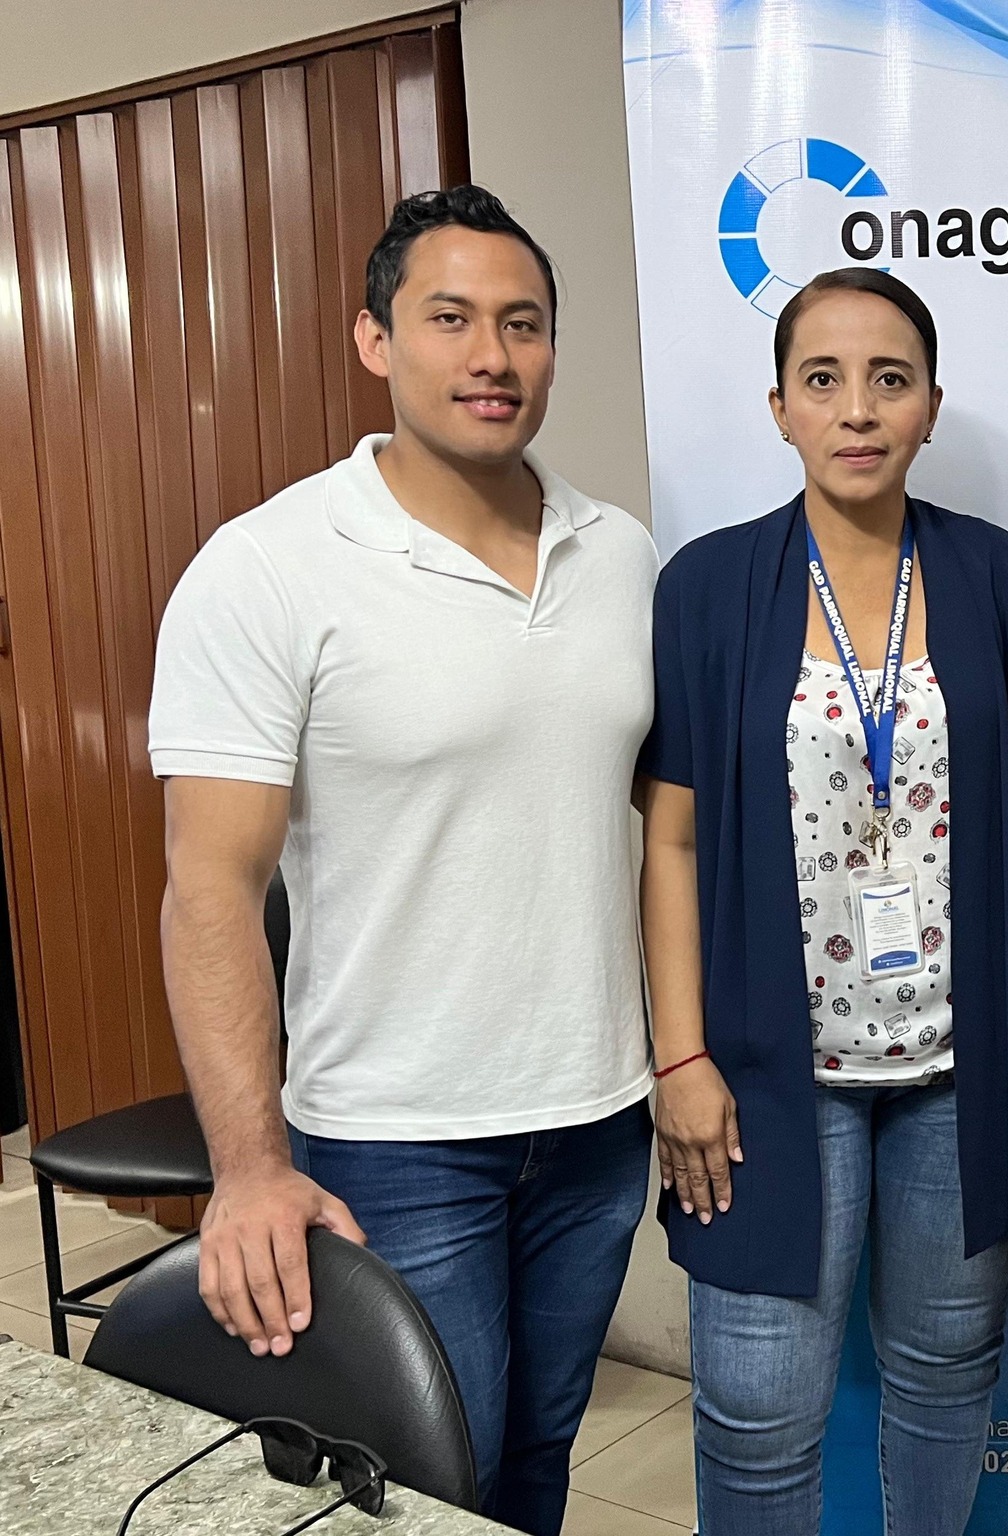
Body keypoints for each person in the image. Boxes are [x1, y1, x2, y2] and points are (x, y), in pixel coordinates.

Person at [149, 186, 655, 1536]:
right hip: (395, 1137)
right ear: (374, 339)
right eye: (450, 319)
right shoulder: (269, 568)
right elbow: (207, 889)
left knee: (536, 1458)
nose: (492, 355)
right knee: (429, 1487)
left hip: (597, 1117)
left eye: (523, 324)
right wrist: (248, 1166)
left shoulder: (622, 557)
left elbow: (670, 829)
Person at [636, 267, 1008, 1535]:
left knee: (945, 1377)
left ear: (930, 405)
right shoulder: (707, 587)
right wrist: (679, 1058)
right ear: (778, 408)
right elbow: (671, 841)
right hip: (768, 1071)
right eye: (822, 380)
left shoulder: (991, 574)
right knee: (755, 1414)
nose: (856, 409)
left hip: (956, 1071)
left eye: (889, 379)